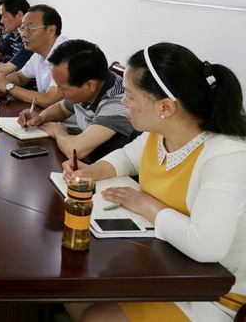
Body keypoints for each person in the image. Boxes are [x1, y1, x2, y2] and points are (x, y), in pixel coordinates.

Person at [63, 43, 246, 321]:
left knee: (93, 316)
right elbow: (126, 157)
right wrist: (92, 171)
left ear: (165, 107)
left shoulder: (227, 155)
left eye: (130, 95)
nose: (122, 102)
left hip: (213, 293)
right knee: (72, 297)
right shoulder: (159, 133)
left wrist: (145, 205)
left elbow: (206, 245)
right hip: (166, 266)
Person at [17, 39, 139, 162]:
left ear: (90, 85)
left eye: (63, 88)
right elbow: (62, 108)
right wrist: (41, 117)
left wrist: (58, 132)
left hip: (109, 168)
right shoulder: (86, 86)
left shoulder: (120, 104)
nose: (59, 92)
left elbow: (74, 151)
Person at [0, 4, 66, 107]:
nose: (23, 34)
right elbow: (20, 77)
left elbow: (48, 100)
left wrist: (8, 86)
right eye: (22, 28)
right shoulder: (39, 52)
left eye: (29, 28)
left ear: (51, 30)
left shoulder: (67, 55)